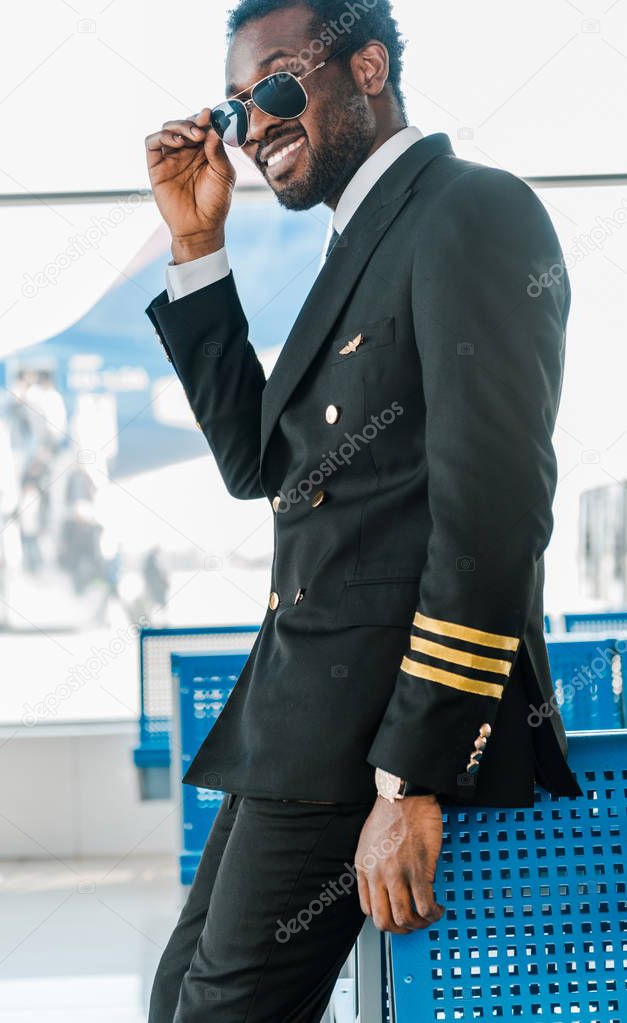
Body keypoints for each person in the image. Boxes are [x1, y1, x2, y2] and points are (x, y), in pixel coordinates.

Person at [143, 2, 581, 1019]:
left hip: (369, 728)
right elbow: (258, 465)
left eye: (279, 85)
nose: (253, 127)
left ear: (369, 65)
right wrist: (196, 244)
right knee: (180, 998)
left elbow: (495, 508)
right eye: (235, 105)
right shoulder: (361, 243)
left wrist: (410, 779)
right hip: (294, 713)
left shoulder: (470, 211)